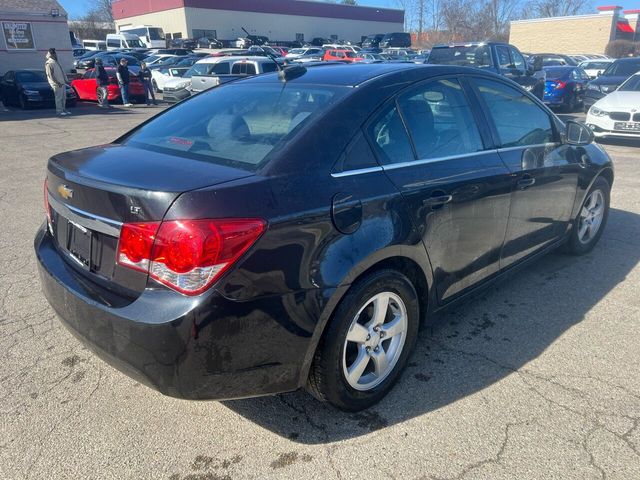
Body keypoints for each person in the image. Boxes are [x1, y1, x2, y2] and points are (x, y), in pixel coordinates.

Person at [44, 48, 70, 116]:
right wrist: (57, 83)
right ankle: (59, 111)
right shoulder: (49, 63)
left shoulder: (56, 62)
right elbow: (50, 75)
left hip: (62, 83)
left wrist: (66, 80)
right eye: (53, 53)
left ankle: (63, 109)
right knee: (58, 98)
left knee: (63, 98)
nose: (55, 55)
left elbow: (61, 72)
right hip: (57, 84)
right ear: (50, 55)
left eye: (55, 53)